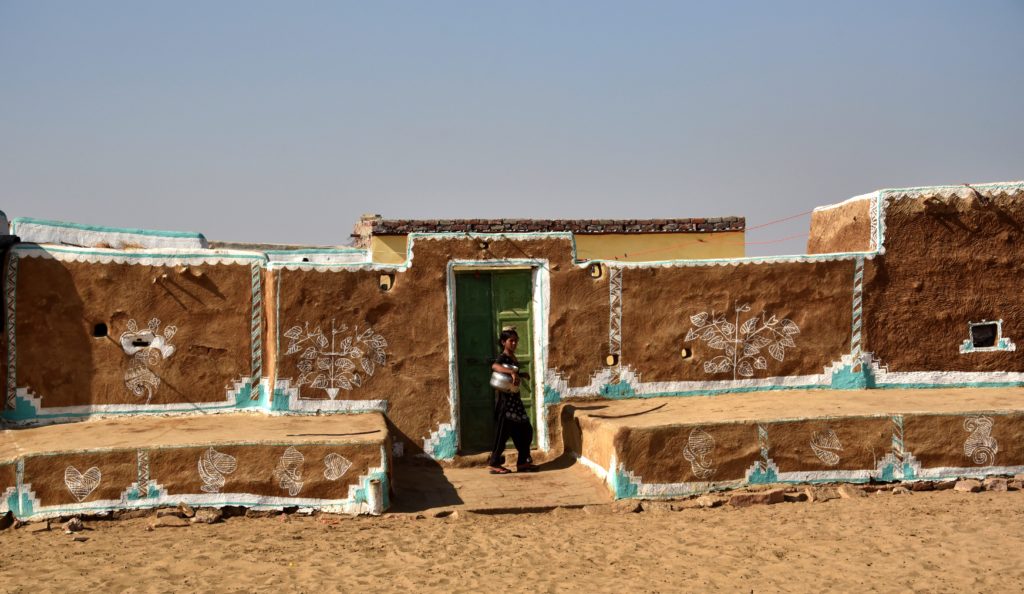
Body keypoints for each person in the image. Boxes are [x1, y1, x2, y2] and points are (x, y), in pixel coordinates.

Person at [487, 327, 539, 474]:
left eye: (516, 340)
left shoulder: (512, 358)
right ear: (504, 342)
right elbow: (495, 366)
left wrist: (520, 374)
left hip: (515, 402)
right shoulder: (503, 357)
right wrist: (511, 371)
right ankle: (494, 463)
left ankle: (522, 462)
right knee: (502, 434)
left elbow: (512, 376)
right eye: (511, 341)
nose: (514, 343)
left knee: (525, 430)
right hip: (506, 403)